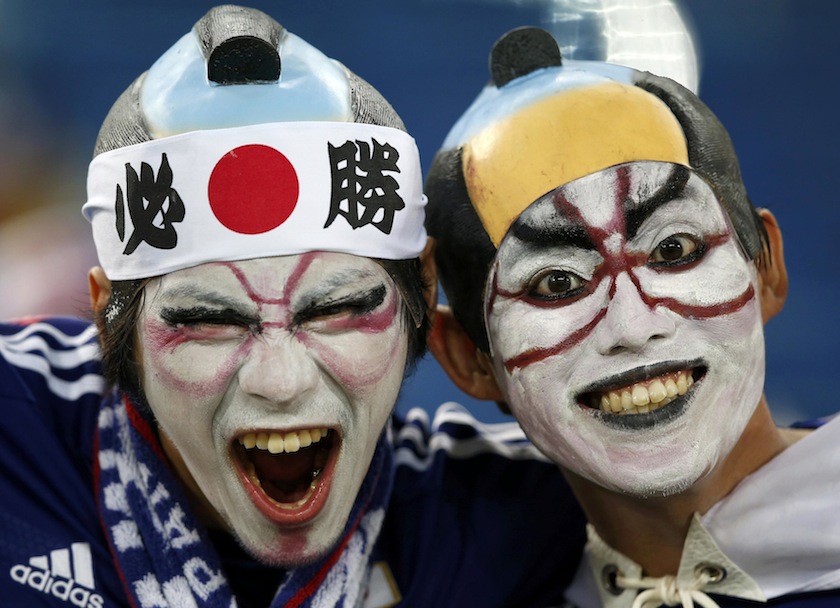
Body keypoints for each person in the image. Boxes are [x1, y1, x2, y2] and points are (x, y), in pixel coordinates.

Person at [0, 7, 588, 607]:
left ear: (425, 290)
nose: (280, 382)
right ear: (107, 320)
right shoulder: (15, 434)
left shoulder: (510, 515)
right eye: (208, 321)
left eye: (335, 309)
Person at [425, 26, 840, 608]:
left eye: (674, 249)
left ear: (765, 266)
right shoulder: (460, 555)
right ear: (471, 360)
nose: (633, 326)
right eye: (558, 283)